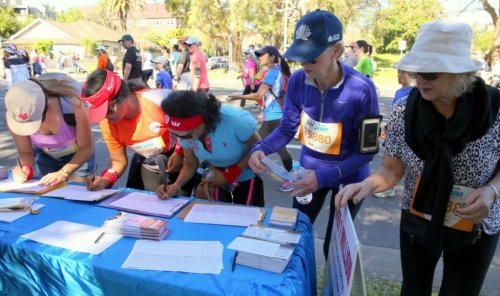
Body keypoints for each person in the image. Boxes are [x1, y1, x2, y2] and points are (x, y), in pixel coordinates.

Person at [335, 21, 500, 296]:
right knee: (413, 290)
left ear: (461, 73)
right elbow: (391, 168)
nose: (420, 79)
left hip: (477, 221)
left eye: (430, 73)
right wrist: (367, 185)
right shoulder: (405, 110)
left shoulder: (494, 109)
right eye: (416, 71)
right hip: (419, 217)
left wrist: (491, 192)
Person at [247, 10, 379, 257]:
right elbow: (287, 128)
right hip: (308, 174)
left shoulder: (363, 89)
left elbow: (366, 154)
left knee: (335, 251)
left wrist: (325, 177)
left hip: (349, 178)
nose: (303, 65)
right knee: (294, 240)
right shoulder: (297, 81)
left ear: (336, 51)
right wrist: (260, 148)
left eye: (311, 58)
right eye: (300, 57)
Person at [81, 69, 192, 193]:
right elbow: (118, 161)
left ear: (122, 97)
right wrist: (106, 178)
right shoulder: (108, 122)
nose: (106, 116)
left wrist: (179, 151)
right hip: (149, 164)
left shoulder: (160, 100)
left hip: (181, 162)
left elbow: (191, 130)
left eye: (109, 110)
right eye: (102, 113)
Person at [156, 91, 264, 206]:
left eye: (186, 135)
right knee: (215, 216)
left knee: (246, 217)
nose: (182, 139)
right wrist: (175, 186)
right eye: (175, 135)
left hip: (245, 174)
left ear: (201, 125)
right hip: (215, 176)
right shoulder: (183, 133)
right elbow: (190, 163)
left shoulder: (235, 121)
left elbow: (258, 147)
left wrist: (230, 173)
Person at [5, 74, 95, 186]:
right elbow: (26, 152)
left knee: (77, 193)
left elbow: (85, 148)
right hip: (46, 157)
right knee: (47, 192)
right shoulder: (15, 115)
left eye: (34, 121)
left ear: (45, 106)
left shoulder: (73, 105)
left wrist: (64, 172)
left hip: (78, 155)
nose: (34, 128)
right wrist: (25, 168)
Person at [228, 45, 294, 192]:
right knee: (267, 147)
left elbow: (258, 95)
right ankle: (291, 176)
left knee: (255, 146)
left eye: (262, 55)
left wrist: (236, 96)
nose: (259, 57)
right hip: (274, 116)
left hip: (275, 118)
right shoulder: (277, 70)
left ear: (271, 57)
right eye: (258, 55)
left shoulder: (272, 73)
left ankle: (235, 176)